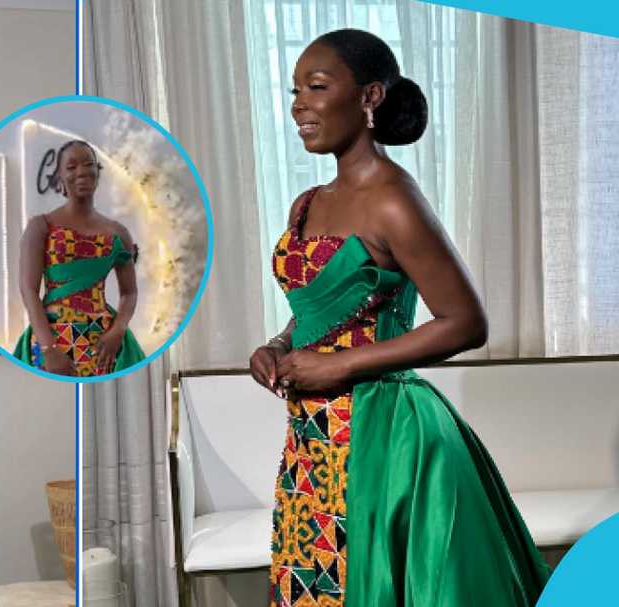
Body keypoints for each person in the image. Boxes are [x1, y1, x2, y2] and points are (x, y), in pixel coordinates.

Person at [250, 29, 549, 607]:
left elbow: (465, 322)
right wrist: (276, 344)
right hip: (313, 435)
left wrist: (338, 368)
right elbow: (311, 311)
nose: (298, 105)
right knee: (314, 581)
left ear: (370, 98)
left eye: (316, 87)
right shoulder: (306, 204)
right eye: (293, 91)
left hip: (384, 429)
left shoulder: (394, 199)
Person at [13, 140, 145, 377]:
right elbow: (28, 289)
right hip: (52, 336)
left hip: (105, 342)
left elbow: (129, 292)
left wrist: (118, 331)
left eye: (88, 164)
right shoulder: (41, 226)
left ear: (97, 171)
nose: (81, 172)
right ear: (60, 177)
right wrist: (48, 348)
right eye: (71, 167)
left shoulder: (118, 233)